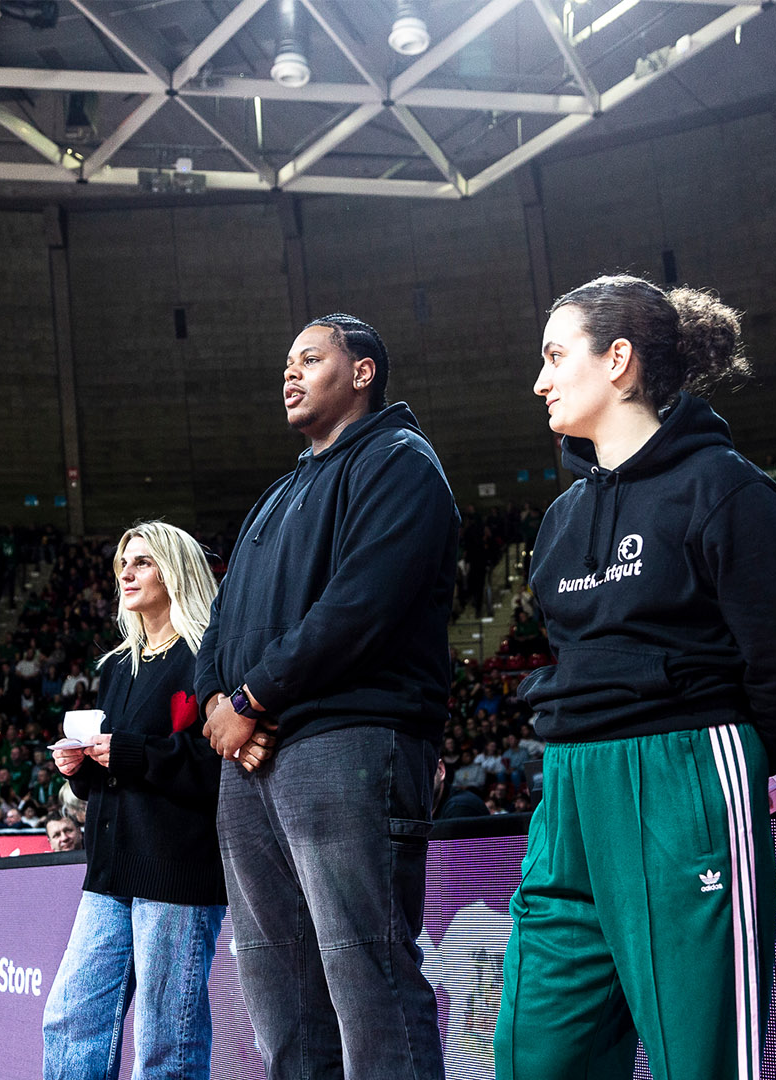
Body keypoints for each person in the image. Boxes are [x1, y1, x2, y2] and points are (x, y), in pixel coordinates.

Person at [494, 274, 776, 1080]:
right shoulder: (559, 520)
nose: (539, 380)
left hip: (684, 776)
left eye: (553, 356)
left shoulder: (724, 487)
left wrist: (745, 770)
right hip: (571, 788)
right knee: (536, 1057)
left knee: (702, 1061)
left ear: (619, 360)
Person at [198, 313, 457, 1080]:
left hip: (350, 740)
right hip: (250, 759)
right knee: (281, 992)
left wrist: (249, 699)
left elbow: (360, 606)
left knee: (365, 978)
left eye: (309, 358)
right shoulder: (277, 494)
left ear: (364, 371)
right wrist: (219, 703)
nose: (290, 373)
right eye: (287, 363)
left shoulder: (401, 462)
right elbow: (220, 624)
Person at [44, 521, 227, 1080]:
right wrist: (80, 768)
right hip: (108, 869)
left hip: (177, 867)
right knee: (70, 1018)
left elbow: (220, 765)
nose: (126, 572)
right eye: (124, 562)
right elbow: (114, 766)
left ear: (176, 571)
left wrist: (128, 753)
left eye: (143, 562)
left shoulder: (208, 657)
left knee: (164, 1041)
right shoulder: (116, 665)